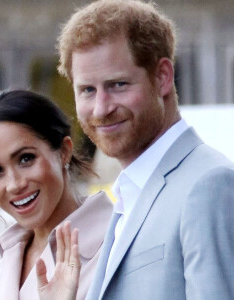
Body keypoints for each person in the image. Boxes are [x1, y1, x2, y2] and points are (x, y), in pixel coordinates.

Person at [45, 0, 234, 299]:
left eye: (118, 84)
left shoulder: (209, 185)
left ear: (162, 77)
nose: (101, 109)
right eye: (87, 90)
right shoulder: (128, 193)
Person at [0, 89, 113, 300]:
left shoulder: (117, 244)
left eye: (26, 159)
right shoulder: (6, 265)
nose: (14, 185)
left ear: (64, 151)